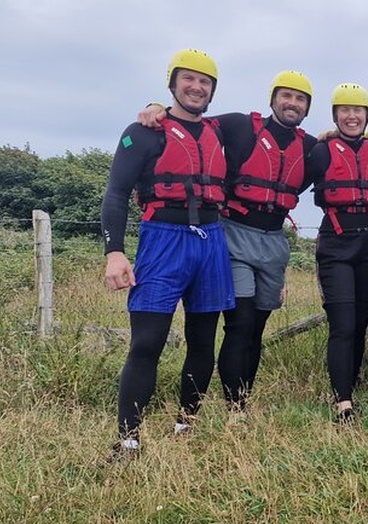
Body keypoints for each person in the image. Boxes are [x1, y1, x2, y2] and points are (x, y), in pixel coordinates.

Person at [137, 70, 319, 416]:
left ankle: (242, 401)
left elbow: (339, 147)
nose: (292, 103)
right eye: (286, 95)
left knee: (257, 329)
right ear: (272, 99)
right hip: (233, 234)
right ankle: (234, 407)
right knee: (241, 323)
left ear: (307, 107)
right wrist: (156, 106)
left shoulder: (310, 147)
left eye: (300, 99)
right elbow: (189, 121)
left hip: (274, 242)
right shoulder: (239, 125)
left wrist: (364, 132)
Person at [101, 48, 234, 458]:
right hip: (163, 239)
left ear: (213, 89)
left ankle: (185, 425)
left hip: (211, 239)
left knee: (202, 341)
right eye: (188, 79)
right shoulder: (143, 131)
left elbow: (281, 127)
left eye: (205, 81)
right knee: (148, 342)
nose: (196, 87)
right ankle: (129, 440)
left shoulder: (221, 130)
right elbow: (116, 193)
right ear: (172, 83)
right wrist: (115, 252)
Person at [306, 83, 368, 423]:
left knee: (360, 323)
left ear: (367, 115)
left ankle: (349, 384)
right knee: (343, 324)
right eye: (344, 110)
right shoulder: (321, 150)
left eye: (358, 110)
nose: (352, 116)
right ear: (335, 114)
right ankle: (343, 403)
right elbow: (289, 176)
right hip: (336, 243)